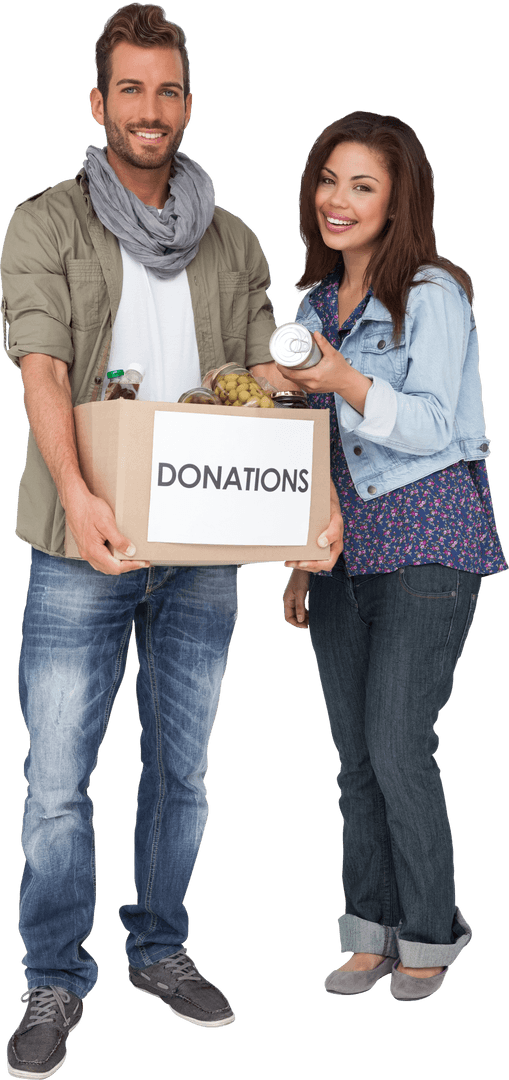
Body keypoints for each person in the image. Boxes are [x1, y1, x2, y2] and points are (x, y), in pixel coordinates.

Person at [1, 5, 343, 1074]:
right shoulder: (46, 224)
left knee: (182, 776)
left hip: (201, 545)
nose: (152, 110)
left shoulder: (230, 237)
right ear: (99, 104)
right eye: (131, 91)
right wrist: (80, 492)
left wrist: (312, 503)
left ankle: (160, 951)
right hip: (80, 542)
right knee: (58, 781)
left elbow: (267, 389)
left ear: (188, 104)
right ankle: (55, 981)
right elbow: (43, 369)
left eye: (169, 90)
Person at [282, 111, 507, 1003]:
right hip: (341, 553)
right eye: (328, 180)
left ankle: (430, 930)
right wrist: (301, 559)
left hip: (427, 542)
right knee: (352, 756)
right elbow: (310, 457)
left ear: (396, 198)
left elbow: (433, 426)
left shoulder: (434, 294)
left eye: (361, 185)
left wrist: (342, 379)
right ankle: (366, 931)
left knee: (397, 744)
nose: (336, 200)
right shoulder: (308, 309)